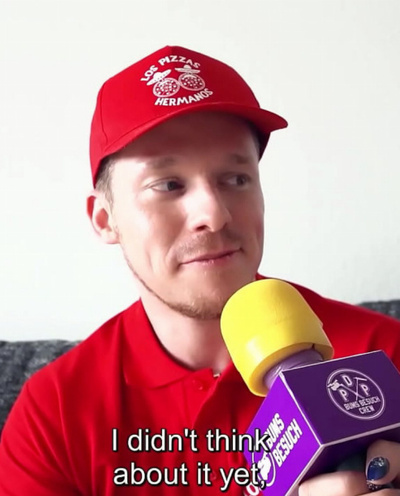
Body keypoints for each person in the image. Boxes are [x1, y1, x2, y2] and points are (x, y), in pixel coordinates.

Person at [1, 45, 400, 496]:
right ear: (105, 220)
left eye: (236, 179)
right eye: (168, 185)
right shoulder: (53, 413)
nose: (214, 213)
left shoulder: (383, 355)